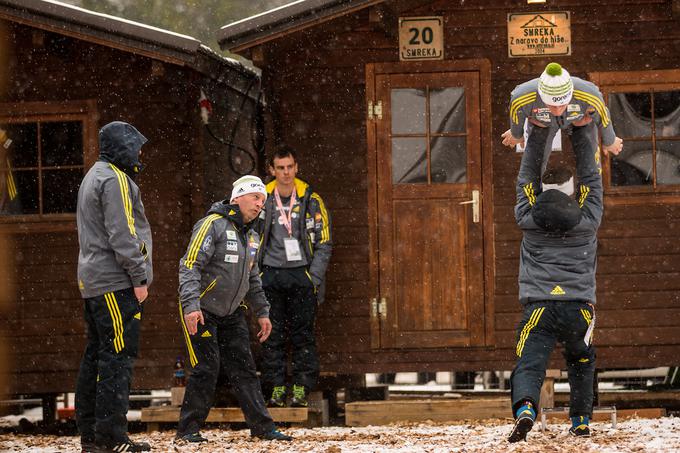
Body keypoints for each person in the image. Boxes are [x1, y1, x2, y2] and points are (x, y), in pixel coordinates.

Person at [176, 175, 292, 443]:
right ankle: (187, 431)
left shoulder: (251, 234)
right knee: (206, 368)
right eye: (255, 197)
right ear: (237, 197)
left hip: (232, 313)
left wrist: (262, 311)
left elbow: (253, 277)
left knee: (245, 369)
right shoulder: (212, 224)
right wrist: (191, 305)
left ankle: (262, 428)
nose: (259, 204)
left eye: (263, 200)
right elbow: (189, 265)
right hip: (203, 310)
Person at [508, 123, 605, 442]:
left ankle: (525, 408)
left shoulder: (529, 221)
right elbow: (592, 177)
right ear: (572, 194)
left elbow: (526, 178)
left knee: (530, 362)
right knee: (581, 361)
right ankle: (579, 419)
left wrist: (536, 133)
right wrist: (584, 129)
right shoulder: (588, 221)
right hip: (579, 308)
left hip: (540, 309)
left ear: (541, 195)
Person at [75, 121, 153, 453]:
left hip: (93, 281)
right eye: (135, 146)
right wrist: (139, 277)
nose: (139, 154)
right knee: (117, 357)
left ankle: (91, 435)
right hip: (115, 283)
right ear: (121, 147)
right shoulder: (116, 179)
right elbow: (123, 235)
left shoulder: (93, 174)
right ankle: (111, 437)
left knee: (97, 355)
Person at [257, 146, 332, 408]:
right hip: (270, 275)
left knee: (303, 335)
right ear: (272, 170)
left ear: (296, 167)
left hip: (302, 275)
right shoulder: (262, 198)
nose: (286, 173)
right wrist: (256, 274)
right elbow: (250, 237)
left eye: (290, 167)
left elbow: (324, 242)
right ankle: (276, 388)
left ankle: (301, 388)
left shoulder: (311, 198)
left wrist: (314, 278)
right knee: (271, 334)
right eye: (280, 168)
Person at [501, 62, 623, 163]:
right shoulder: (522, 97)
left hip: (580, 121)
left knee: (590, 161)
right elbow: (516, 113)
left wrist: (610, 140)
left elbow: (603, 115)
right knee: (534, 163)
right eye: (552, 106)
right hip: (543, 124)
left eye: (562, 105)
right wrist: (516, 133)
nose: (558, 111)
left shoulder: (590, 95)